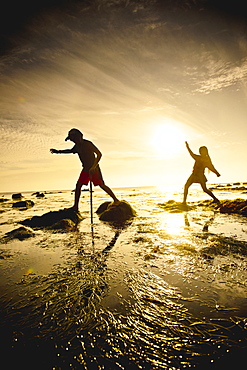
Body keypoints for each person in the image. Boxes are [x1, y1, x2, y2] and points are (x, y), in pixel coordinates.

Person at [50, 128, 120, 211]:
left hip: (94, 168)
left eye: (73, 139)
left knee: (101, 185)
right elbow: (70, 150)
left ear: (78, 137)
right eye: (71, 140)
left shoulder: (88, 144)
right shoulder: (77, 146)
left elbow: (99, 154)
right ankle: (75, 207)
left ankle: (116, 200)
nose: (72, 141)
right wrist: (58, 151)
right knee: (78, 185)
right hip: (85, 169)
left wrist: (94, 166)